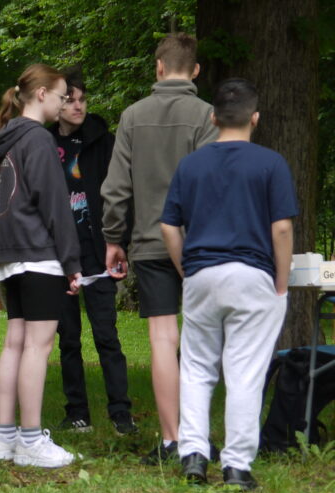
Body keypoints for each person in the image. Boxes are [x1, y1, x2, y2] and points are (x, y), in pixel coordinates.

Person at [161, 78, 296, 490]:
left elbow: (168, 226)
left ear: (212, 116)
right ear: (255, 118)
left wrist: (188, 269)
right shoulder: (271, 164)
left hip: (202, 274)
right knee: (245, 372)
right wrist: (282, 283)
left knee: (198, 368)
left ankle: (194, 455)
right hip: (253, 275)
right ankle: (237, 465)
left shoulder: (191, 165)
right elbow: (283, 229)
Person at [100, 33, 218, 465]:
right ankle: (196, 439)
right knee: (200, 341)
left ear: (159, 67)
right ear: (197, 71)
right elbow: (212, 184)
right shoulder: (208, 116)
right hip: (201, 247)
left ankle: (171, 441)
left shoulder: (133, 116)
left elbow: (115, 189)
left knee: (162, 339)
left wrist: (114, 237)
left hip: (149, 244)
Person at [0, 63, 81, 469]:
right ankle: (31, 440)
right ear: (40, 95)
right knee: (39, 344)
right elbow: (55, 204)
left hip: (10, 255)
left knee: (15, 342)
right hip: (38, 254)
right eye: (61, 95)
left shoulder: (7, 138)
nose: (65, 102)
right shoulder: (36, 138)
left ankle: (5, 438)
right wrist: (72, 262)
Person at [47, 73, 136, 436]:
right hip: (59, 255)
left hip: (98, 250)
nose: (78, 105)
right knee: (68, 336)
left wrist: (121, 241)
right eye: (68, 99)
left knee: (107, 335)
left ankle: (121, 413)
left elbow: (122, 192)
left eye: (82, 99)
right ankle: (77, 412)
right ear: (55, 105)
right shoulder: (44, 142)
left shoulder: (104, 141)